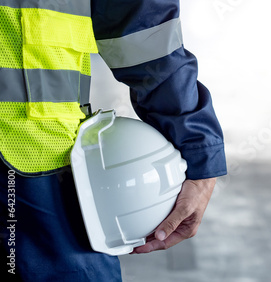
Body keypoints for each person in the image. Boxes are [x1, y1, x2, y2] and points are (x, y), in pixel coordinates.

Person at [0, 0, 226, 280]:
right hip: (34, 161)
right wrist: (200, 154)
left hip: (33, 162)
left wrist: (199, 150)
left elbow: (142, 31)